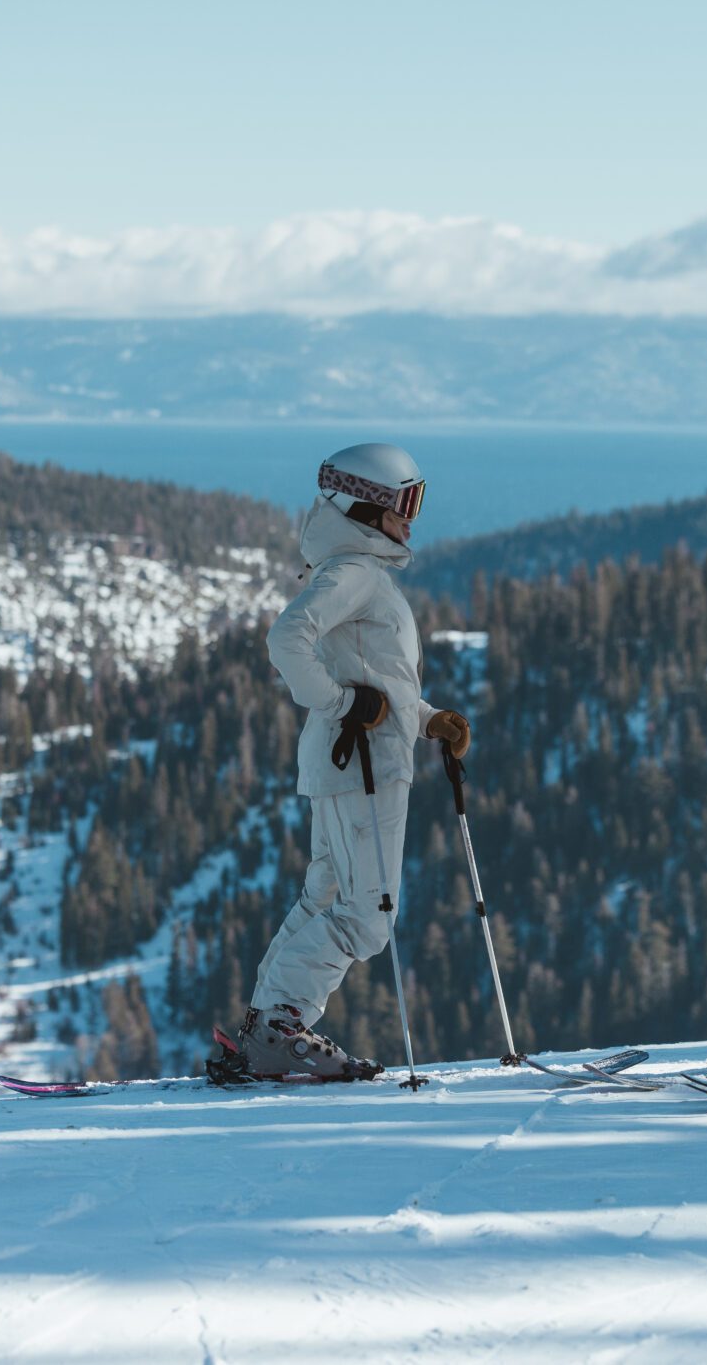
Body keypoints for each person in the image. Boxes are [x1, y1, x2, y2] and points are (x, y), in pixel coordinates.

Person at [232, 443, 472, 1080]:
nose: (413, 518)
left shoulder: (355, 570)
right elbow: (288, 638)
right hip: (362, 765)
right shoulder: (354, 572)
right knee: (369, 918)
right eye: (405, 502)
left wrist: (427, 720)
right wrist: (341, 703)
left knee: (327, 897)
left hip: (354, 758)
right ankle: (280, 1028)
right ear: (365, 506)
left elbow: (378, 684)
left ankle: (267, 1024)